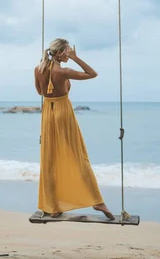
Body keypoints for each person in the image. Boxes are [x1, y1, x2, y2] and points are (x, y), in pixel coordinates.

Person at [34, 37, 114, 219]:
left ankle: (53, 206)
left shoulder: (37, 70)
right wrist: (77, 58)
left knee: (50, 158)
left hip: (47, 113)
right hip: (63, 112)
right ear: (61, 52)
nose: (70, 54)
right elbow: (92, 73)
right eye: (68, 50)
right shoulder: (64, 72)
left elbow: (40, 92)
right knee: (78, 156)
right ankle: (97, 202)